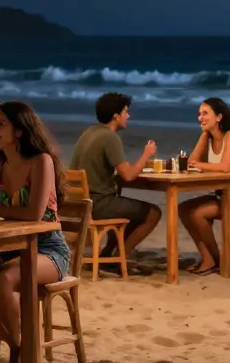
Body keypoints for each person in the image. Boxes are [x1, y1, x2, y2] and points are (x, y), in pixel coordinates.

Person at [0, 101, 73, 363]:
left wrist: (0, 209)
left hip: (49, 250)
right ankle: (20, 344)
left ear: (20, 131)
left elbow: (36, 214)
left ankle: (17, 351)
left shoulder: (41, 161)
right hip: (10, 248)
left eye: (0, 123)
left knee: (1, 280)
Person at [68, 92, 161, 269]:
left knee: (124, 203)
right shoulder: (110, 137)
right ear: (116, 116)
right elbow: (128, 175)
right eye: (125, 112)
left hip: (77, 203)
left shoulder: (89, 132)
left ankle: (108, 254)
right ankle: (120, 257)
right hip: (96, 204)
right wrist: (146, 155)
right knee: (153, 213)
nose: (128, 116)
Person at [177, 98, 230, 276]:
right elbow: (191, 161)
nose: (200, 117)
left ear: (219, 117)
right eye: (199, 113)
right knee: (183, 208)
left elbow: (224, 167)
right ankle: (208, 258)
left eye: (205, 113)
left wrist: (199, 166)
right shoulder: (208, 137)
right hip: (224, 193)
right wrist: (203, 135)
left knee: (198, 213)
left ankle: (217, 260)